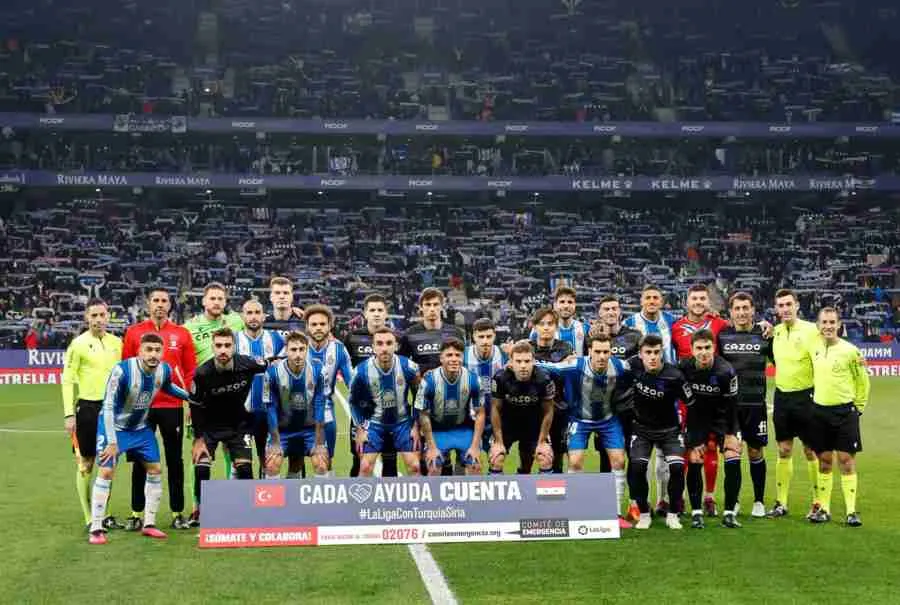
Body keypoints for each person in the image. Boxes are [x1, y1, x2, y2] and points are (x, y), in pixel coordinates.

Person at [87, 333, 192, 545]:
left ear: (163, 352)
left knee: (155, 469)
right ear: (140, 351)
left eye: (157, 350)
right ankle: (96, 527)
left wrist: (190, 397)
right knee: (106, 471)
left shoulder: (164, 370)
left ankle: (149, 524)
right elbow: (107, 405)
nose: (153, 355)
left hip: (140, 429)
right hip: (113, 428)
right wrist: (112, 441)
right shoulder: (122, 371)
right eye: (149, 350)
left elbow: (168, 387)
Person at [122, 287, 196, 532]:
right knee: (140, 460)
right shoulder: (134, 333)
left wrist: (188, 404)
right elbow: (125, 369)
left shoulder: (181, 334)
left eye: (165, 301)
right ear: (148, 303)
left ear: (170, 305)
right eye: (156, 300)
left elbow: (189, 372)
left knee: (175, 460)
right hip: (141, 407)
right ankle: (136, 513)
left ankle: (177, 512)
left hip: (171, 405)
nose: (160, 305)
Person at [539, 334, 631, 528]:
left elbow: (640, 367)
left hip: (608, 420)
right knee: (575, 461)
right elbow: (550, 367)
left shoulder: (621, 367)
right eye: (597, 351)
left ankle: (616, 513)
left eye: (606, 352)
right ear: (590, 351)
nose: (601, 356)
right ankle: (575, 511)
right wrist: (521, 363)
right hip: (579, 420)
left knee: (619, 461)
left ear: (611, 352)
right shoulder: (576, 366)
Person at [188, 328, 273, 525]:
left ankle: (248, 512)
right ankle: (201, 511)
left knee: (245, 470)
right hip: (209, 426)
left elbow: (272, 362)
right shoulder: (202, 373)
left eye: (227, 345)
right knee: (201, 468)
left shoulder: (248, 364)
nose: (223, 350)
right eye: (218, 346)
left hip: (238, 424)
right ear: (212, 347)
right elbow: (195, 406)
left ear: (234, 347)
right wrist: (198, 439)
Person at [61, 298, 123, 531]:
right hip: (87, 408)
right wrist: (69, 414)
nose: (98, 319)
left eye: (102, 315)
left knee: (108, 464)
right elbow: (67, 380)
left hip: (112, 409)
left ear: (108, 316)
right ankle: (89, 517)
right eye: (93, 315)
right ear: (87, 317)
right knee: (86, 464)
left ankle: (104, 514)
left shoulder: (117, 343)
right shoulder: (77, 344)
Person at [807, 307, 870, 527]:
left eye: (832, 322)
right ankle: (824, 509)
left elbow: (863, 380)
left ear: (839, 324)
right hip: (820, 411)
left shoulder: (851, 351)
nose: (828, 326)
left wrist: (858, 407)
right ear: (818, 325)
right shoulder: (813, 347)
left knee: (846, 460)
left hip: (845, 412)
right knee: (824, 461)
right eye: (824, 322)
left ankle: (851, 511)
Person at [672, 284, 731, 516]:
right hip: (686, 397)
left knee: (711, 447)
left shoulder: (720, 324)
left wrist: (764, 327)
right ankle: (684, 497)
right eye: (694, 298)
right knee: (686, 447)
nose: (698, 302)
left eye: (702, 298)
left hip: (712, 394)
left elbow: (740, 331)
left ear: (708, 302)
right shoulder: (675, 327)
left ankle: (709, 496)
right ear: (687, 302)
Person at [626, 334, 693, 531]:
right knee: (637, 468)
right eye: (648, 353)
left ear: (662, 352)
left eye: (657, 352)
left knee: (677, 468)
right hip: (642, 429)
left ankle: (673, 514)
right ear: (640, 355)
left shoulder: (675, 376)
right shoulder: (632, 367)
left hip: (670, 430)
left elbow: (691, 403)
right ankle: (644, 514)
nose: (653, 357)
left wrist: (689, 431)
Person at [398, 288, 466, 475]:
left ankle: (453, 495)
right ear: (421, 308)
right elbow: (403, 368)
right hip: (423, 405)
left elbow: (464, 365)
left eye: (436, 304)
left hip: (453, 403)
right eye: (427, 305)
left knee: (453, 450)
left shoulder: (455, 332)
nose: (432, 309)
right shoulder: (410, 335)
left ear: (442, 307)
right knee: (426, 455)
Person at [623, 285, 677, 517]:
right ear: (641, 300)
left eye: (656, 297)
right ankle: (638, 502)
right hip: (641, 391)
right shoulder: (630, 322)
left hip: (667, 389)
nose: (652, 301)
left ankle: (663, 500)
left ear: (662, 301)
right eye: (648, 298)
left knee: (665, 452)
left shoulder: (673, 321)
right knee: (639, 454)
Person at [717, 292, 772, 518]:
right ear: (731, 312)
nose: (741, 312)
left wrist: (774, 328)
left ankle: (759, 501)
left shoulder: (765, 335)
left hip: (755, 404)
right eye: (737, 308)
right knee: (732, 451)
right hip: (730, 407)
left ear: (753, 310)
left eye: (745, 308)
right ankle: (734, 501)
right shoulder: (722, 336)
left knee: (755, 451)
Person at [680, 330, 742, 529]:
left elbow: (733, 405)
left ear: (714, 348)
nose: (703, 352)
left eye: (707, 347)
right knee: (695, 458)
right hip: (697, 419)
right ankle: (697, 513)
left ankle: (730, 513)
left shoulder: (726, 371)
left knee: (733, 455)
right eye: (699, 348)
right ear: (691, 350)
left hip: (723, 419)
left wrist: (732, 433)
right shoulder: (684, 367)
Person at [769, 289, 821, 519]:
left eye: (789, 304)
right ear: (776, 309)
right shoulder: (775, 332)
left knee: (811, 451)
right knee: (784, 449)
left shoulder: (812, 330)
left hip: (807, 397)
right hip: (782, 397)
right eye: (781, 305)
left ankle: (818, 502)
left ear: (797, 305)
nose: (785, 309)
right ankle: (781, 502)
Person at [348, 327, 423, 476]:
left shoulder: (409, 367)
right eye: (380, 344)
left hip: (403, 423)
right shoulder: (361, 372)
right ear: (373, 347)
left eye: (389, 343)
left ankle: (417, 500)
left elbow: (419, 397)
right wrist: (360, 429)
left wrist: (415, 425)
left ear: (396, 346)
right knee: (364, 467)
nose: (384, 348)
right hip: (374, 424)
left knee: (415, 466)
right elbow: (353, 402)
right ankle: (362, 500)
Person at [344, 293, 398, 477]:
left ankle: (388, 504)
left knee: (390, 459)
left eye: (380, 310)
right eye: (372, 310)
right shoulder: (352, 338)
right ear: (365, 314)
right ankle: (355, 504)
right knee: (359, 458)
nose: (376, 314)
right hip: (362, 410)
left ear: (386, 314)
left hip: (390, 409)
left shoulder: (395, 338)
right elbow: (344, 367)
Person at [262, 332, 329, 479]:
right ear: (286, 350)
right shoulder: (273, 373)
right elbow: (270, 407)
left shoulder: (319, 370)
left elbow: (320, 404)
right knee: (272, 464)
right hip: (283, 430)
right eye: (293, 350)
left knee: (322, 463)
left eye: (301, 349)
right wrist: (275, 441)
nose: (298, 354)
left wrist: (319, 442)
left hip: (309, 430)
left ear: (307, 350)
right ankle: (273, 502)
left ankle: (312, 501)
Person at [415, 339, 485, 476]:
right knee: (434, 466)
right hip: (438, 430)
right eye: (449, 355)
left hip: (463, 429)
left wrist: (475, 446)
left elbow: (480, 413)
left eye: (458, 355)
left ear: (463, 357)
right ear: (441, 358)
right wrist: (431, 447)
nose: (454, 359)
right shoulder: (429, 381)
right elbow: (423, 414)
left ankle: (467, 496)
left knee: (475, 465)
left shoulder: (474, 380)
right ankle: (434, 497)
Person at [594, 296, 642, 482]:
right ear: (600, 313)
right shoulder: (594, 338)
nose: (611, 312)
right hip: (604, 406)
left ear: (620, 311)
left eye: (614, 308)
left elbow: (640, 366)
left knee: (633, 455)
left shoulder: (634, 336)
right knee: (605, 455)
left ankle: (635, 501)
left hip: (629, 405)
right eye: (606, 309)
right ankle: (605, 503)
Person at [235, 299, 285, 478]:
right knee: (240, 463)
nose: (253, 317)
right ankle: (240, 501)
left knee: (268, 461)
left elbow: (298, 347)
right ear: (242, 316)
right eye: (249, 313)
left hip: (269, 411)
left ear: (264, 316)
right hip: (242, 413)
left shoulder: (277, 338)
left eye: (257, 312)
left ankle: (266, 502)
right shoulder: (233, 340)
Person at [489, 340, 555, 475]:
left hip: (533, 426)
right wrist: (498, 441)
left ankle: (543, 494)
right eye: (518, 361)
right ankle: (497, 494)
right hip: (507, 426)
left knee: (545, 458)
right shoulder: (500, 378)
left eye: (527, 361)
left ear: (533, 361)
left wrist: (542, 441)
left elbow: (548, 411)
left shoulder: (544, 378)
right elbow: (495, 408)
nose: (523, 366)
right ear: (511, 363)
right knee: (496, 459)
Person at [305, 304, 352, 477]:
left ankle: (326, 499)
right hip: (296, 411)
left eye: (322, 324)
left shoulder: (339, 349)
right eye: (314, 324)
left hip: (325, 410)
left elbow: (351, 382)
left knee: (325, 461)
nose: (318, 328)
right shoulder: (296, 347)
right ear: (307, 327)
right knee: (290, 460)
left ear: (330, 326)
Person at [530, 307, 575, 473]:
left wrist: (537, 365)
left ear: (556, 326)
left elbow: (569, 371)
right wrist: (560, 366)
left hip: (560, 410)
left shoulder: (565, 348)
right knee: (530, 455)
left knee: (558, 456)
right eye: (542, 324)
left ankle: (557, 495)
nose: (546, 327)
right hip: (533, 410)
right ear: (534, 327)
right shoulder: (527, 348)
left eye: (550, 323)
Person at [463, 318, 507, 453]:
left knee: (495, 457)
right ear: (473, 337)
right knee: (467, 457)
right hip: (470, 416)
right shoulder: (463, 355)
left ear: (494, 336)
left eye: (489, 336)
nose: (485, 341)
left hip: (496, 415)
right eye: (481, 337)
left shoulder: (503, 354)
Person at [529, 286, 591, 355]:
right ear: (555, 305)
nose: (566, 306)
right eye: (562, 302)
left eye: (570, 302)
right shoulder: (538, 330)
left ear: (575, 305)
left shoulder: (585, 328)